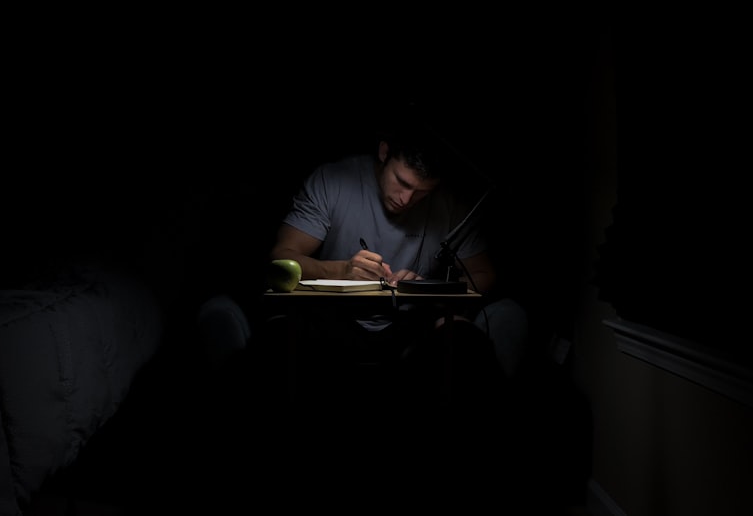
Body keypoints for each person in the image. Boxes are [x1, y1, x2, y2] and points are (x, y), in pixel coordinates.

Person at [196, 108, 530, 414]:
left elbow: (485, 274)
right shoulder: (334, 181)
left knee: (465, 344)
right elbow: (278, 260)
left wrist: (428, 287)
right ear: (384, 153)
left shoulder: (450, 202)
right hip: (333, 322)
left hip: (411, 328)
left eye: (421, 193)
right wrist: (340, 269)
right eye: (402, 182)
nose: (406, 199)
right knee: (277, 340)